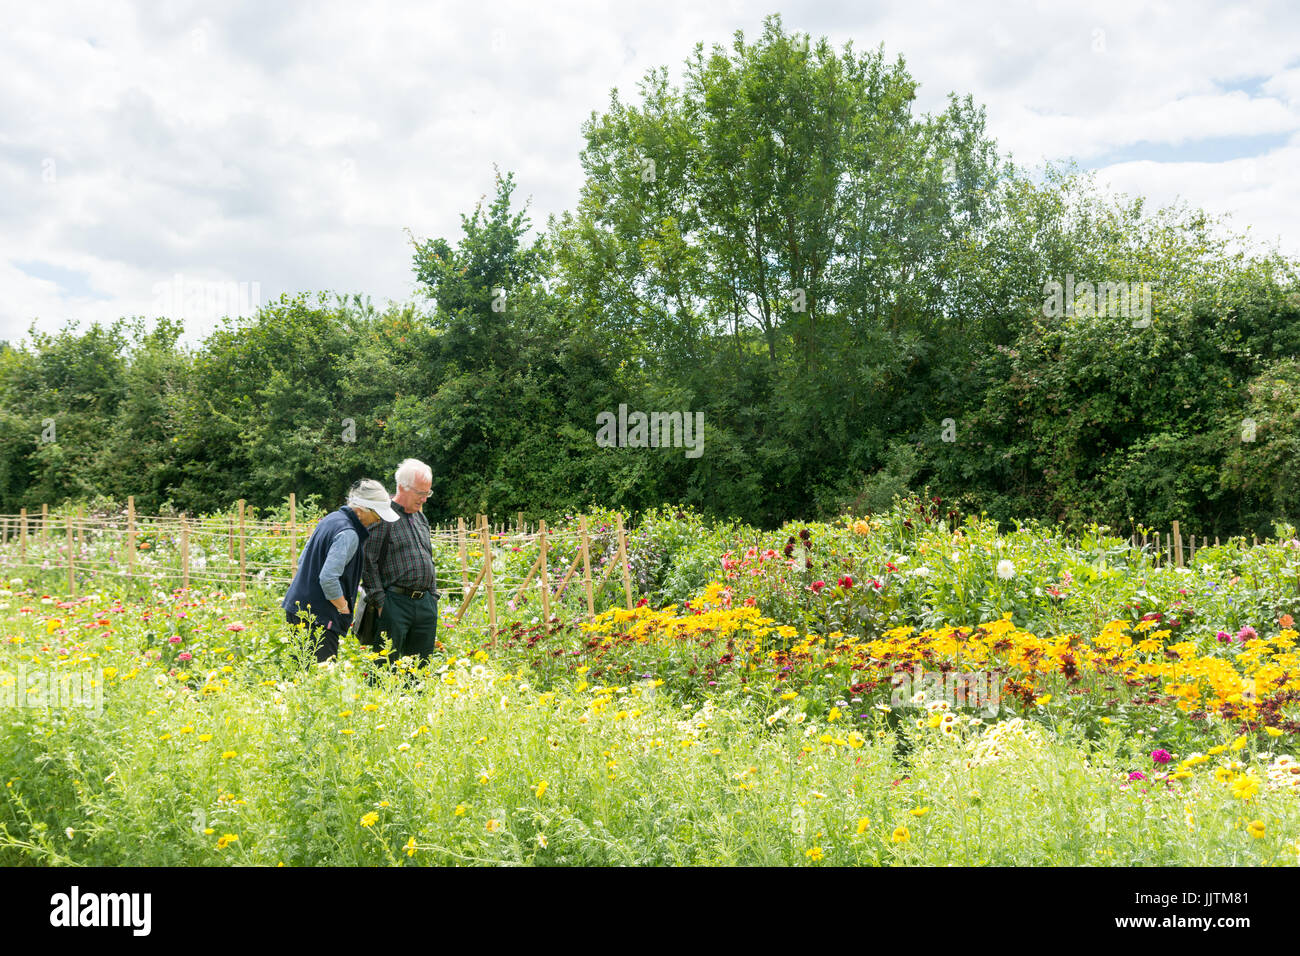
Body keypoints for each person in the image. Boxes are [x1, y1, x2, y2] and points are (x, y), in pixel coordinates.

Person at [283, 479, 398, 663]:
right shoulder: (349, 533)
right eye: (377, 515)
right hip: (318, 617)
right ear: (361, 510)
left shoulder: (331, 519)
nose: (379, 520)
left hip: (298, 608)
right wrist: (344, 608)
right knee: (322, 679)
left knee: (302, 673)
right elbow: (328, 577)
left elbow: (303, 558)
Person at [360, 458, 439, 667]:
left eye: (427, 493)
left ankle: (417, 700)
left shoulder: (421, 519)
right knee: (387, 666)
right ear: (402, 487)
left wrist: (433, 597)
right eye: (420, 493)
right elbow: (367, 561)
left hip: (425, 604)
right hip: (395, 602)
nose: (424, 499)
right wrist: (380, 603)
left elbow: (428, 557)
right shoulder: (383, 517)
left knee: (421, 668)